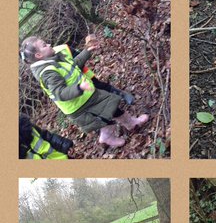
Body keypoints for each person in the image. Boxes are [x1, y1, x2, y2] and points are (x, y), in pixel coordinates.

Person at [19, 35, 148, 148]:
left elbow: (73, 65)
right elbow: (60, 92)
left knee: (111, 106)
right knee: (105, 117)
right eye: (44, 45)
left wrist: (86, 52)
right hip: (79, 105)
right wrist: (79, 87)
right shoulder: (47, 72)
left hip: (86, 97)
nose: (49, 44)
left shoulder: (53, 59)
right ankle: (109, 135)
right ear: (38, 55)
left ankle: (130, 124)